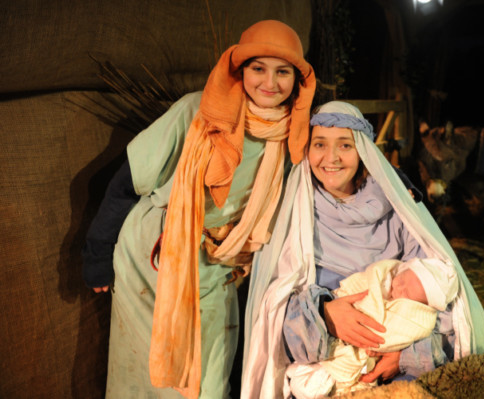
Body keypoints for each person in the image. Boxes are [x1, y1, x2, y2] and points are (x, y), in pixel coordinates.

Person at [80, 20, 316, 399]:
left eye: (282, 71)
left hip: (218, 260)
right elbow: (128, 181)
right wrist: (97, 254)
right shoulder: (199, 110)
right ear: (240, 70)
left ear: (298, 80)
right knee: (148, 378)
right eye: (259, 68)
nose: (270, 82)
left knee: (209, 379)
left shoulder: (292, 133)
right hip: (156, 254)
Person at [241, 101, 484, 399]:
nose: (331, 158)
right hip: (323, 365)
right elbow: (270, 305)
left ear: (362, 150)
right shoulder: (294, 212)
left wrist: (405, 355)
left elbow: (442, 291)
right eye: (319, 144)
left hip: (395, 366)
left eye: (345, 145)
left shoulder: (398, 209)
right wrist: (323, 316)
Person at [285, 257, 460, 398]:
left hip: (365, 364)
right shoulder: (380, 277)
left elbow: (392, 334)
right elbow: (354, 288)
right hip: (327, 327)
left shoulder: (414, 319)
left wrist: (403, 356)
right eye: (402, 279)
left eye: (406, 294)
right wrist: (327, 311)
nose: (397, 288)